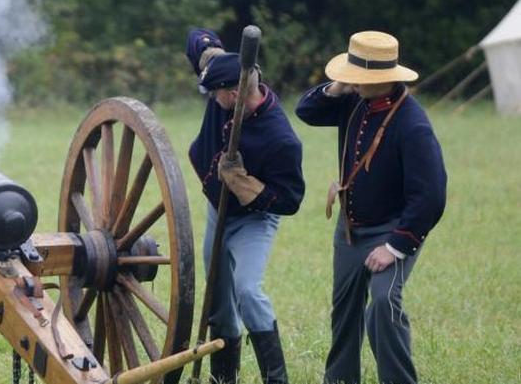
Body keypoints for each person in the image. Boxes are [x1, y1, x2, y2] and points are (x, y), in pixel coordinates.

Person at [295, 31, 446, 384]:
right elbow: (306, 111)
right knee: (343, 314)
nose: (355, 83)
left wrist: (395, 246)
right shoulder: (353, 100)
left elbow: (431, 196)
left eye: (361, 77)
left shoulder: (414, 125)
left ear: (384, 79)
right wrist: (337, 88)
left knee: (381, 303)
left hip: (394, 230)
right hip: (349, 227)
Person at [186, 28, 305, 384]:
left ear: (235, 93)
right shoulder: (225, 84)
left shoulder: (282, 140)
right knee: (220, 302)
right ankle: (224, 378)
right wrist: (211, 53)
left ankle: (276, 378)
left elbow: (290, 199)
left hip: (253, 219)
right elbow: (196, 38)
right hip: (215, 211)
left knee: (248, 291)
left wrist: (247, 185)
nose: (211, 98)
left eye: (216, 94)